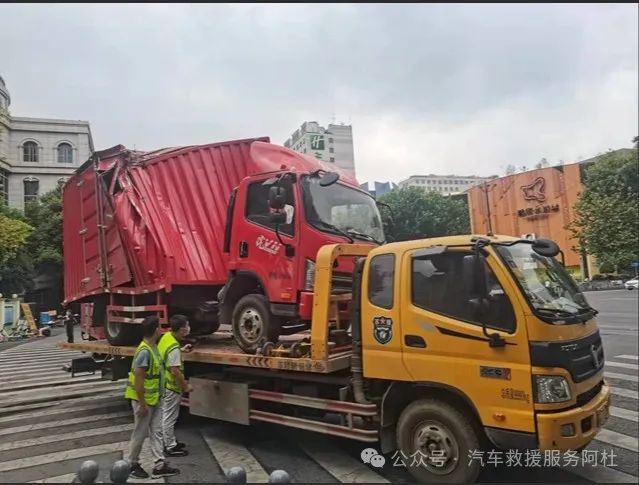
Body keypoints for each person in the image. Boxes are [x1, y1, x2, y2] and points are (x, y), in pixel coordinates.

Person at [124, 316, 179, 479]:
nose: (161, 330)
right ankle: (132, 464)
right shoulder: (144, 351)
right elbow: (139, 380)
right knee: (140, 433)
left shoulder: (153, 347)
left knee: (156, 431)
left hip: (155, 398)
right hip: (144, 401)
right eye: (160, 327)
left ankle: (159, 465)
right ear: (156, 330)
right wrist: (141, 404)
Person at [158, 314, 193, 456]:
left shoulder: (167, 337)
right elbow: (175, 371)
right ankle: (170, 446)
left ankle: (169, 441)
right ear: (181, 329)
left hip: (163, 383)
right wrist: (185, 386)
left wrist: (181, 350)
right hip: (171, 386)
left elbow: (166, 353)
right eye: (187, 326)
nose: (188, 328)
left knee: (165, 415)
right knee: (169, 417)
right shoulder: (173, 346)